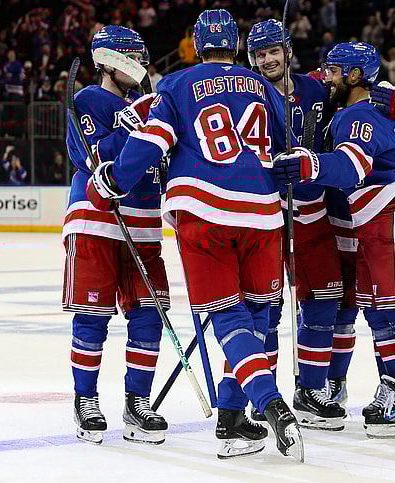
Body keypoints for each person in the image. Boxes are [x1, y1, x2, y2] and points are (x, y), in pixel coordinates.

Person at [87, 10, 304, 462]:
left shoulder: (175, 85)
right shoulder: (262, 85)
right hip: (264, 214)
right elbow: (289, 145)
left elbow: (152, 143)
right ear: (236, 45)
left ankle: (272, 406)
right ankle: (230, 418)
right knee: (259, 317)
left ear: (198, 44)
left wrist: (117, 179)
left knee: (227, 318)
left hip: (203, 210)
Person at [273, 42, 395, 446]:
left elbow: (353, 166)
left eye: (333, 71)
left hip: (392, 209)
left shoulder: (357, 114)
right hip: (370, 216)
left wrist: (310, 165)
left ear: (355, 76)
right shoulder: (358, 111)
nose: (326, 77)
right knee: (377, 313)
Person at [247, 19, 395, 429]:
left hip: (331, 205)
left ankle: (325, 387)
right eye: (259, 53)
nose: (268, 59)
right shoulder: (246, 92)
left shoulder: (318, 88)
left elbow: (372, 109)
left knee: (342, 301)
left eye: (275, 50)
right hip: (269, 211)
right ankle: (278, 393)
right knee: (276, 306)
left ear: (288, 50)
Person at [64, 26, 170, 447]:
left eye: (143, 59)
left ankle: (137, 402)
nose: (141, 66)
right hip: (96, 220)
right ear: (109, 61)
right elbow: (88, 156)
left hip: (143, 223)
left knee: (150, 314)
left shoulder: (147, 105)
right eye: (133, 58)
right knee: (93, 317)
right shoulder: (88, 99)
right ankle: (85, 399)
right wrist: (127, 128)